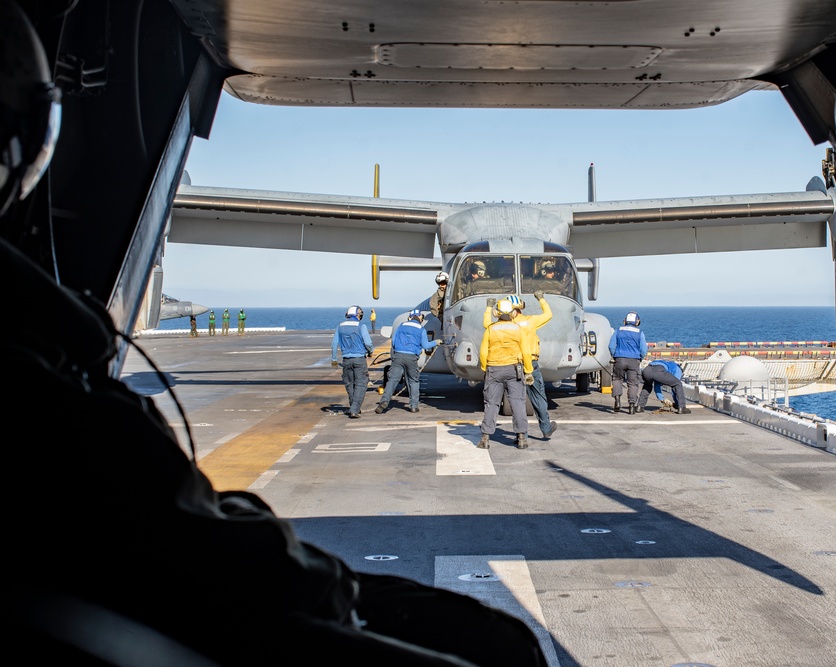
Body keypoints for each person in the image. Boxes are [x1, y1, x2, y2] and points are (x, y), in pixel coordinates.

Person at [0, 6, 545, 663]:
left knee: (458, 402)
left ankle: (430, 414)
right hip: (233, 607)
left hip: (436, 371)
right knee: (501, 643)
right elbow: (204, 545)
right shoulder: (56, 394)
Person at [485, 293, 557, 438]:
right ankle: (545, 428)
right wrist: (541, 299)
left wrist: (488, 308)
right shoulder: (530, 321)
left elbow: (487, 325)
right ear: (520, 308)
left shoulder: (502, 326)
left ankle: (521, 434)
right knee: (538, 396)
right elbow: (548, 314)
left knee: (517, 400)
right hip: (531, 363)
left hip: (512, 365)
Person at [478, 299, 533, 450]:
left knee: (492, 403)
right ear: (513, 313)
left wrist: (485, 368)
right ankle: (521, 438)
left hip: (494, 369)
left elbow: (483, 352)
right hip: (514, 369)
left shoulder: (491, 329)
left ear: (497, 313)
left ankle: (485, 438)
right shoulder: (518, 329)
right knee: (517, 402)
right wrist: (528, 371)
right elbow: (526, 352)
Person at [375, 309, 440, 414]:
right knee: (413, 381)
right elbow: (426, 345)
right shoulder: (421, 329)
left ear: (410, 317)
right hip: (411, 358)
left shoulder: (401, 326)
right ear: (420, 318)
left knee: (392, 380)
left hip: (398, 356)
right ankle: (414, 406)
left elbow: (394, 342)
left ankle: (384, 402)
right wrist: (436, 342)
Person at [333, 305, 374, 418]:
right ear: (358, 315)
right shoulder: (361, 326)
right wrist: (371, 351)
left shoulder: (340, 326)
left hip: (346, 360)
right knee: (361, 384)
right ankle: (355, 410)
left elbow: (334, 343)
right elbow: (368, 343)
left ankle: (353, 406)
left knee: (350, 384)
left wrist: (334, 359)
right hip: (359, 359)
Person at [609, 311, 647, 414]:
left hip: (619, 359)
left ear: (625, 321)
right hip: (634, 360)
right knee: (633, 383)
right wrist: (640, 358)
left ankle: (617, 400)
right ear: (637, 321)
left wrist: (615, 355)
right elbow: (643, 350)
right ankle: (631, 406)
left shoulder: (618, 331)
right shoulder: (639, 333)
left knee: (617, 379)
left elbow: (611, 346)